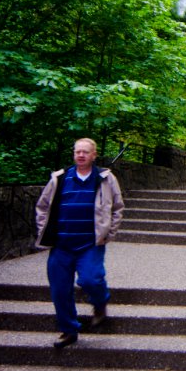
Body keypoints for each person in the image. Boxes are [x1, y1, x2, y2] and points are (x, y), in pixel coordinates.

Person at [35, 138, 124, 349]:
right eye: (77, 152)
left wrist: (108, 233)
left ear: (94, 155)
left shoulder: (104, 178)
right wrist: (44, 231)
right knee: (60, 289)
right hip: (62, 244)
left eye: (85, 152)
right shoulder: (60, 178)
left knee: (91, 279)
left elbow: (118, 207)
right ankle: (68, 329)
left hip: (90, 243)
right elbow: (43, 206)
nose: (81, 155)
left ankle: (100, 302)